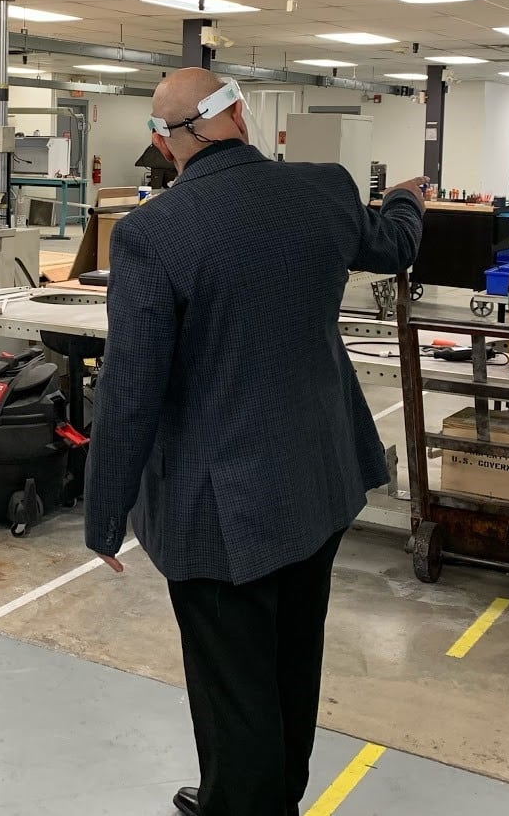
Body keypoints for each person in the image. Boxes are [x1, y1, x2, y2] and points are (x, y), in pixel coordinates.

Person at [84, 68, 425, 816]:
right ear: (240, 113)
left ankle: (242, 801)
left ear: (163, 143)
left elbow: (130, 390)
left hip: (221, 509)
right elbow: (394, 245)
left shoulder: (152, 233)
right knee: (291, 663)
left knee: (232, 689)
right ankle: (272, 796)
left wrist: (105, 510)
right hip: (320, 480)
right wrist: (406, 195)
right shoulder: (325, 190)